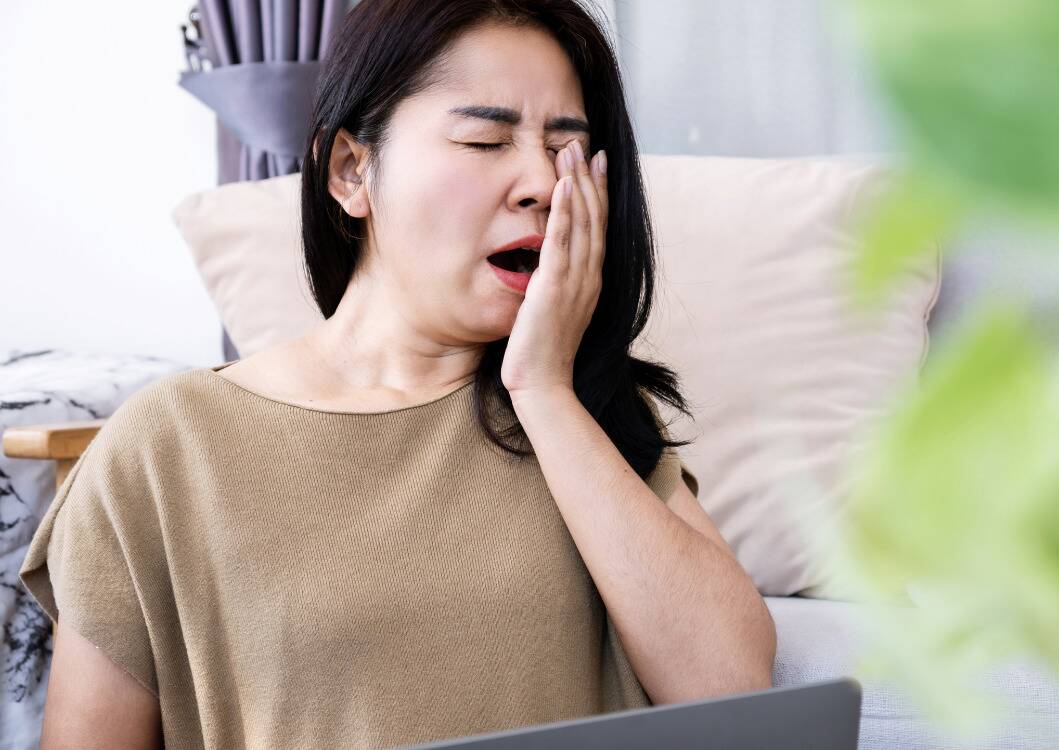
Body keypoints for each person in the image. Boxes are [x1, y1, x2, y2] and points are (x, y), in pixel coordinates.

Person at [20, 0, 776, 747]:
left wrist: (543, 391)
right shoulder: (166, 447)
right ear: (351, 170)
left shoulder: (591, 414)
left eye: (567, 150)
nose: (542, 185)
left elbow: (734, 689)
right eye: (486, 140)